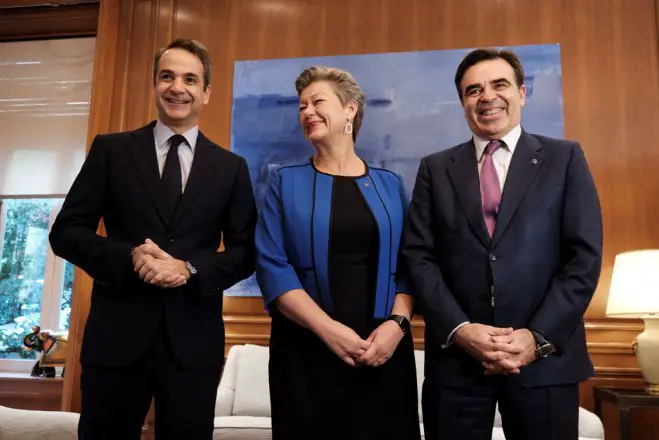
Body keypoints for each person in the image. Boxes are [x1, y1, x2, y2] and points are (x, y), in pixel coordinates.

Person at [49, 38, 256, 440]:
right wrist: (130, 258)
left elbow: (246, 251)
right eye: (167, 76)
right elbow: (66, 232)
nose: (177, 87)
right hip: (116, 340)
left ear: (206, 92)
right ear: (155, 84)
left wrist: (189, 268)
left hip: (193, 344)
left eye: (190, 79)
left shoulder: (231, 167)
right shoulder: (111, 151)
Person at [401, 48, 603, 440]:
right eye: (473, 90)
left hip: (544, 363)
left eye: (499, 85)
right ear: (463, 103)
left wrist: (535, 338)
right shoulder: (436, 169)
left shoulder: (564, 158)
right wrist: (460, 329)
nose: (486, 96)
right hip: (457, 364)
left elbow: (583, 258)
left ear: (522, 93)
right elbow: (419, 257)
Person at [255, 66, 420, 440]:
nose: (307, 112)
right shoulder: (284, 181)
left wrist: (397, 326)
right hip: (305, 351)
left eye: (317, 102)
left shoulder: (390, 184)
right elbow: (272, 267)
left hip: (384, 349)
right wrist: (329, 331)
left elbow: (412, 265)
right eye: (301, 107)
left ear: (350, 110)